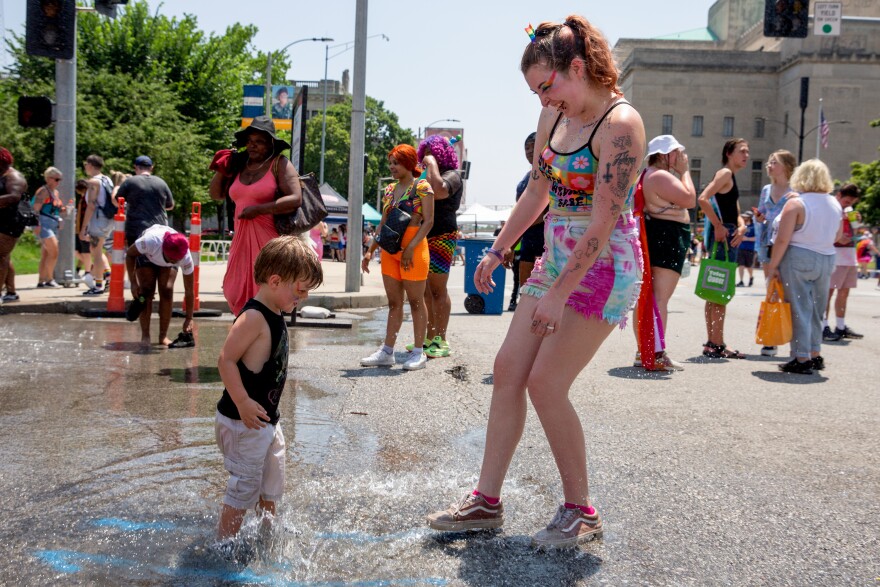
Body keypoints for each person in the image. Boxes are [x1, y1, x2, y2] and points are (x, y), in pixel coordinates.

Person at [427, 15, 645, 548]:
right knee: (507, 370)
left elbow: (603, 221)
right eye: (536, 92)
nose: (544, 99)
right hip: (556, 256)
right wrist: (499, 250)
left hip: (604, 265)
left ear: (578, 67)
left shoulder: (621, 124)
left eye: (548, 86)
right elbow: (537, 194)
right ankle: (486, 501)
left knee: (546, 383)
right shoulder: (553, 115)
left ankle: (581, 511)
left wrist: (558, 293)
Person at [214, 236, 323, 546]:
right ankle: (224, 543)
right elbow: (226, 360)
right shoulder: (253, 317)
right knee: (244, 485)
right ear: (275, 281)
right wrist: (243, 401)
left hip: (265, 420)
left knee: (273, 477)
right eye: (300, 289)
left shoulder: (274, 311)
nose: (303, 297)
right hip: (242, 420)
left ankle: (267, 530)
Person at [208, 115, 303, 316]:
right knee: (235, 290)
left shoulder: (280, 163)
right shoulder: (240, 165)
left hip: (268, 240)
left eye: (259, 142)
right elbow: (215, 194)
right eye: (249, 141)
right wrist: (223, 167)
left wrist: (259, 209)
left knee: (266, 293)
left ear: (270, 144)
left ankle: (265, 339)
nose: (253, 146)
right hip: (241, 240)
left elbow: (295, 198)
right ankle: (247, 334)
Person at [360, 144, 435, 371]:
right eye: (391, 162)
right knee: (394, 303)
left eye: (396, 162)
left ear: (409, 163)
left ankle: (419, 352)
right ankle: (387, 351)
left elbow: (429, 221)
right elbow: (383, 222)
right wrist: (370, 249)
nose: (392, 167)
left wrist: (411, 247)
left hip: (414, 248)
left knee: (415, 301)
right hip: (390, 250)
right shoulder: (390, 190)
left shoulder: (422, 186)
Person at [764, 160, 842, 374]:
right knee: (818, 309)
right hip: (826, 257)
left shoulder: (797, 203)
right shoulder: (835, 204)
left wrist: (773, 265)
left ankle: (801, 357)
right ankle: (815, 353)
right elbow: (838, 235)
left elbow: (782, 239)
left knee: (799, 309)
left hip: (799, 256)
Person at [633, 134, 695, 371]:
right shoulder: (659, 175)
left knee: (651, 297)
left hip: (662, 234)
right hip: (667, 235)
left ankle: (645, 351)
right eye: (676, 152)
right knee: (660, 298)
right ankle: (656, 353)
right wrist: (685, 171)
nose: (680, 157)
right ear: (665, 155)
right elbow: (690, 199)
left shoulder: (649, 175)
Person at [696, 138, 750, 359]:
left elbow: (735, 210)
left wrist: (743, 224)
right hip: (724, 237)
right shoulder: (725, 174)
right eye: (742, 151)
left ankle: (714, 342)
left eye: (748, 151)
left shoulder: (730, 175)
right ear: (729, 152)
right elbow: (703, 198)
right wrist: (718, 226)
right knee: (719, 293)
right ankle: (716, 344)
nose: (746, 155)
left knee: (716, 292)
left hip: (729, 234)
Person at [418, 134, 463, 357]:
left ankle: (441, 340)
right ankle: (429, 339)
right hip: (424, 236)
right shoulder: (426, 176)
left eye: (431, 152)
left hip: (442, 235)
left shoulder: (453, 176)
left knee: (437, 291)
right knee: (425, 292)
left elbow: (438, 189)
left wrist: (432, 164)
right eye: (425, 153)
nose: (427, 157)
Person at [754, 149, 797, 357]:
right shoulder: (766, 189)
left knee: (790, 294)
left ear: (787, 166)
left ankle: (795, 341)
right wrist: (760, 218)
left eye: (774, 162)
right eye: (769, 162)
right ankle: (771, 340)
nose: (769, 165)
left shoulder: (796, 190)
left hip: (789, 245)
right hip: (767, 245)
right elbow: (762, 214)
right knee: (771, 290)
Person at [125, 225, 195, 348]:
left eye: (177, 261)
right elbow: (130, 255)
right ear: (164, 250)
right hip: (148, 255)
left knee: (167, 289)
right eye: (172, 260)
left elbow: (189, 290)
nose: (175, 262)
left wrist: (189, 318)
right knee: (147, 289)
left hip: (166, 253)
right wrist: (133, 283)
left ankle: (163, 336)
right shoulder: (149, 241)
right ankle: (145, 335)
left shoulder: (185, 256)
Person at [507, 132, 546, 313]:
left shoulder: (554, 175)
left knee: (543, 293)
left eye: (533, 146)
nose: (530, 151)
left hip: (548, 243)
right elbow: (518, 214)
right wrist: (508, 245)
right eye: (526, 148)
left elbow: (547, 211)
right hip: (528, 243)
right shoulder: (524, 181)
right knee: (526, 293)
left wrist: (515, 236)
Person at [823, 183, 864, 342]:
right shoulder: (830, 206)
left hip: (849, 254)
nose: (849, 205)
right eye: (847, 201)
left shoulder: (848, 210)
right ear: (839, 195)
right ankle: (823, 326)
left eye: (852, 202)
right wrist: (839, 230)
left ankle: (840, 326)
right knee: (829, 291)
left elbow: (856, 229)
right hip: (835, 254)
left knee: (845, 291)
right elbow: (824, 228)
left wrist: (856, 221)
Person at [116, 155, 174, 247]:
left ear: (135, 167)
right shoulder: (161, 182)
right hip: (158, 229)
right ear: (151, 168)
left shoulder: (130, 182)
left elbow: (117, 202)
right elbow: (170, 205)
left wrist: (117, 187)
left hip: (136, 229)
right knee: (154, 259)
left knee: (135, 258)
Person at [78, 154, 115, 295]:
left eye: (86, 164)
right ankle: (102, 281)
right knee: (98, 251)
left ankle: (98, 285)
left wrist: (83, 228)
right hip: (108, 219)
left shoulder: (93, 182)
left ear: (91, 165)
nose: (85, 166)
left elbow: (91, 205)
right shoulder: (107, 179)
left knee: (96, 252)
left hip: (98, 219)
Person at [0, 146, 28, 305]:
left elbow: (13, 197)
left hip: (11, 222)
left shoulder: (14, 177)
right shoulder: (2, 175)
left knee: (0, 256)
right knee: (4, 255)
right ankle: (11, 292)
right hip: (3, 220)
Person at [33, 167, 67, 288]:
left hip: (53, 224)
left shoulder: (55, 193)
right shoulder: (43, 191)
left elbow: (55, 209)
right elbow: (35, 209)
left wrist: (64, 209)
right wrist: (36, 224)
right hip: (44, 224)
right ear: (48, 179)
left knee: (46, 254)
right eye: (57, 179)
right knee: (54, 252)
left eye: (60, 180)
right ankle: (49, 279)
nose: (58, 182)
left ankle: (41, 280)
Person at [736, 211, 756, 287]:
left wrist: (747, 238)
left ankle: (751, 277)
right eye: (743, 217)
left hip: (750, 248)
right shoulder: (741, 226)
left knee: (749, 266)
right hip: (740, 247)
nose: (744, 218)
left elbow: (756, 238)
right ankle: (741, 281)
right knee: (741, 265)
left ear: (750, 217)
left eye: (746, 217)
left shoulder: (754, 226)